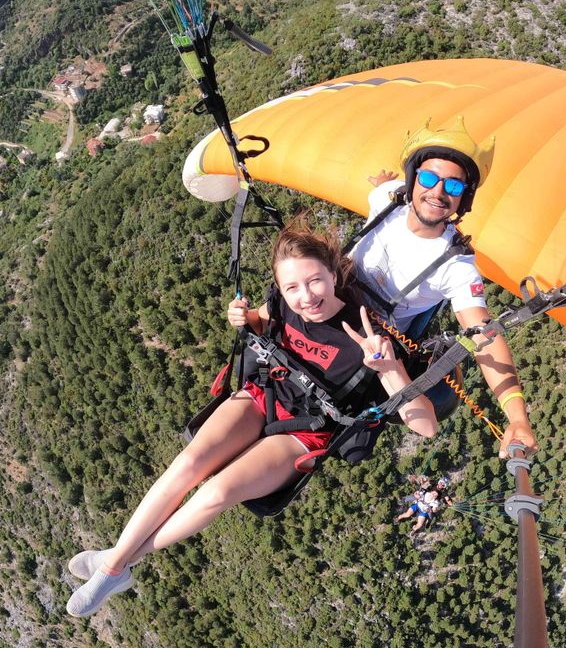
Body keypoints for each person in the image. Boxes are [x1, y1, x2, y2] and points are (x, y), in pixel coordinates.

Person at [65, 225, 438, 617]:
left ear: (333, 273)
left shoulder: (367, 335)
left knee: (216, 493)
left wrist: (389, 366)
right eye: (292, 287)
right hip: (265, 392)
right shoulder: (282, 303)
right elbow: (260, 321)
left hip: (305, 429)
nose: (306, 297)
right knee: (188, 464)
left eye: (314, 282)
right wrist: (241, 318)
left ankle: (113, 566)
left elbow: (425, 426)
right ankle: (117, 564)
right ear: (280, 287)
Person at [350, 115, 537, 459]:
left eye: (452, 186)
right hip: (323, 302)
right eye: (428, 178)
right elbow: (382, 190)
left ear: (463, 198)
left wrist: (517, 417)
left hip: (370, 343)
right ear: (412, 180)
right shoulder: (385, 202)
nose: (438, 192)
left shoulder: (456, 266)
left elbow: (483, 336)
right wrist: (383, 181)